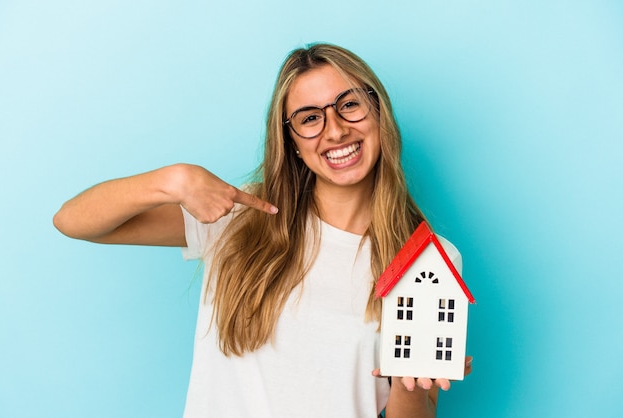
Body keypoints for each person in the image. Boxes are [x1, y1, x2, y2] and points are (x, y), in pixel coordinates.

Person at [53, 43, 472, 418]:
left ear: (378, 112)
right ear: (290, 139)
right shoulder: (238, 217)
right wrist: (172, 180)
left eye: (349, 105)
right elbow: (72, 221)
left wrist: (410, 383)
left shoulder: (428, 258)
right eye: (310, 118)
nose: (336, 130)